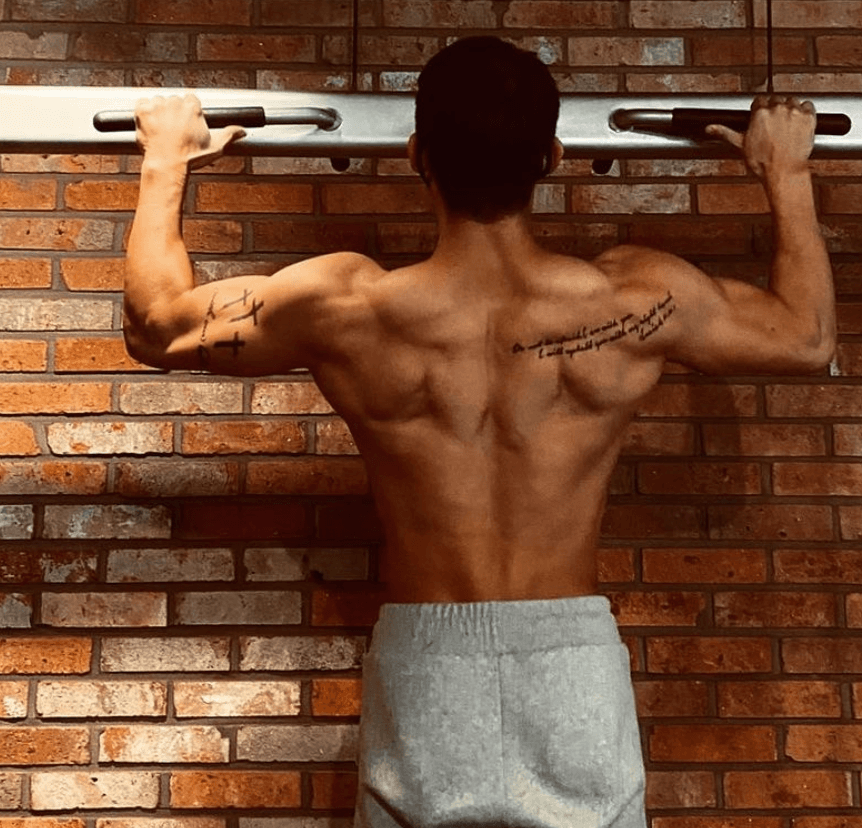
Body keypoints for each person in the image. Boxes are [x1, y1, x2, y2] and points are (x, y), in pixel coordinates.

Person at [123, 36, 835, 828]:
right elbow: (805, 339)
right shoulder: (632, 300)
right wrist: (786, 174)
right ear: (551, 156)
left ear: (417, 155)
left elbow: (156, 326)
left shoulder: (348, 308)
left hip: (427, 660)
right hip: (572, 663)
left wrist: (165, 161)